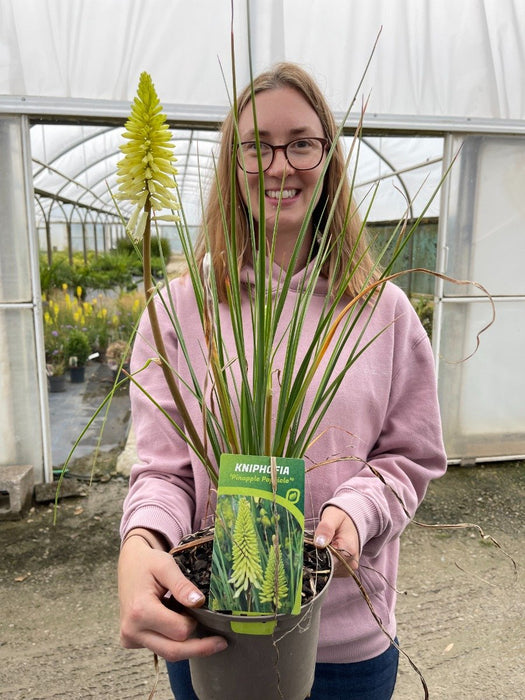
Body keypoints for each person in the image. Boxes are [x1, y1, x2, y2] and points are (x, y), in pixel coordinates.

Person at [118, 62, 447, 700]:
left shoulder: (381, 310)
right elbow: (162, 471)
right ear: (231, 161)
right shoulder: (179, 310)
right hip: (214, 630)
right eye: (255, 147)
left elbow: (411, 456)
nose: (278, 166)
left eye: (301, 142)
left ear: (328, 157)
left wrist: (357, 511)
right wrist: (142, 540)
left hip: (347, 646)